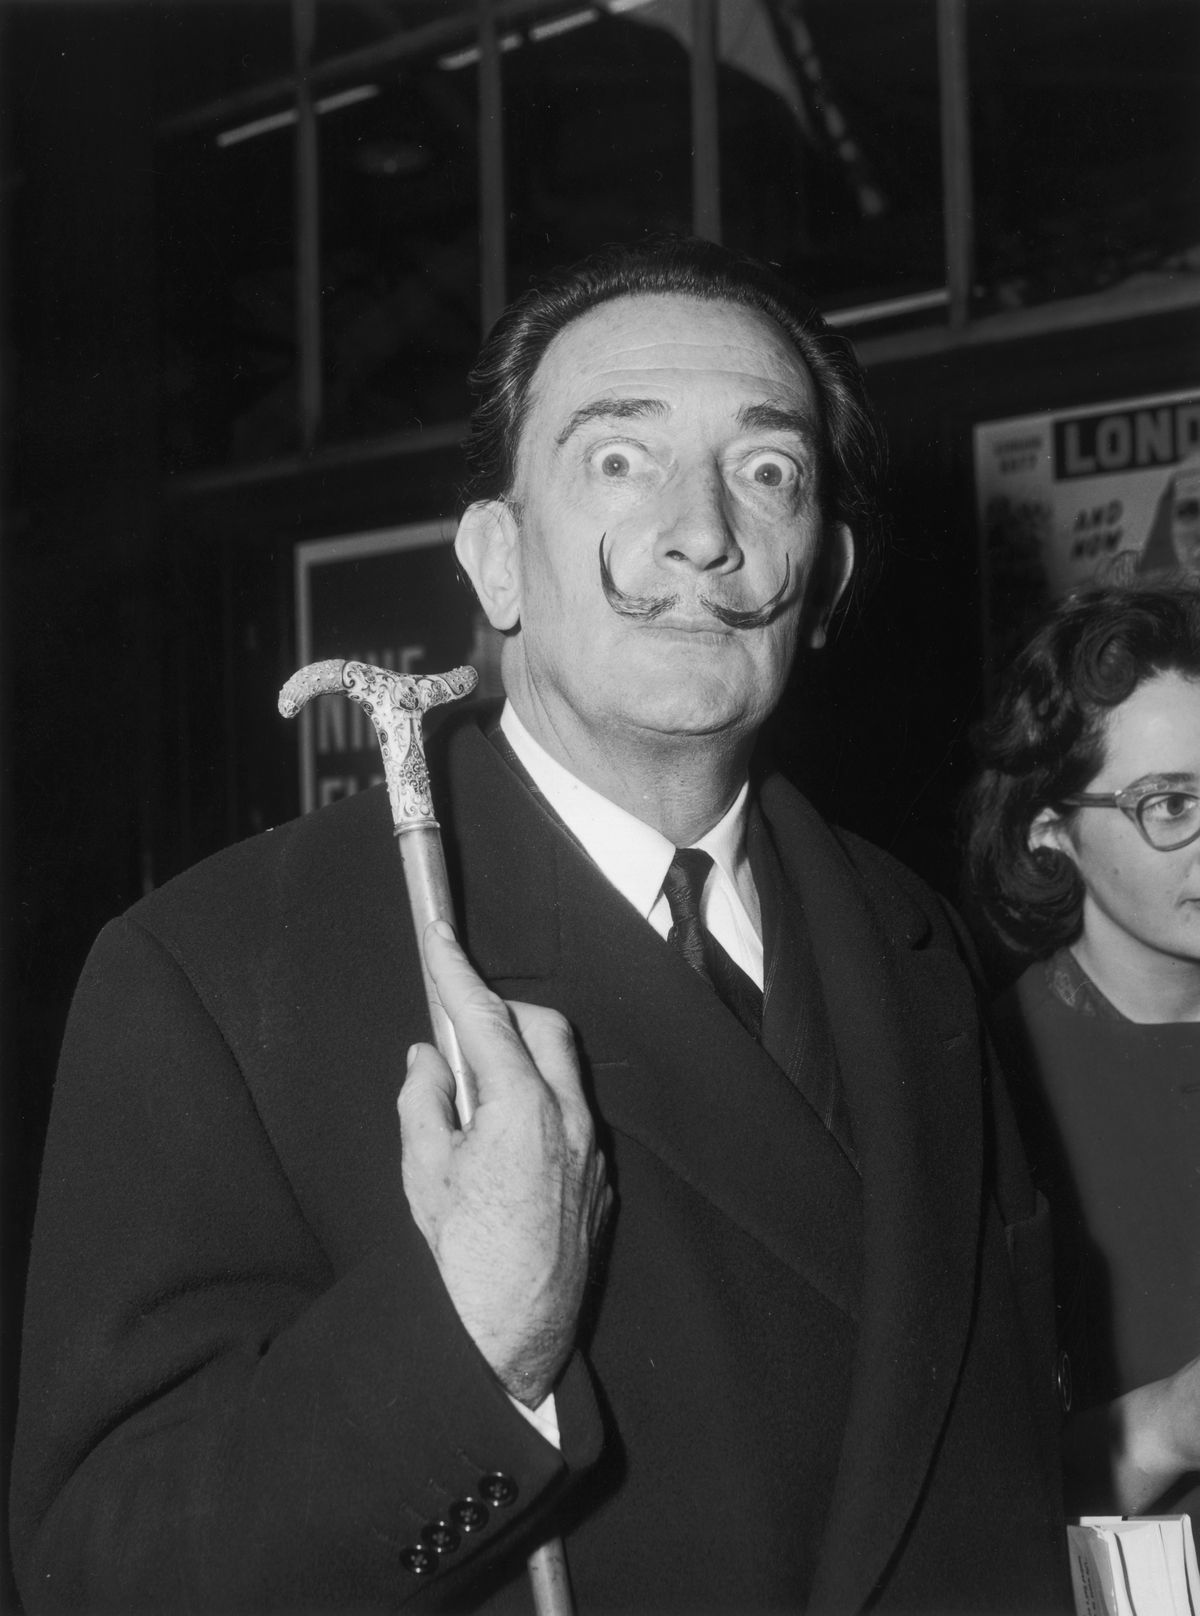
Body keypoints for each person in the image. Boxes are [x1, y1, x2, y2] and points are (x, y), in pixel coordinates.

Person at [11, 237, 1069, 1614]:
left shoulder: (913, 938)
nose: (704, 531)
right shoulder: (222, 971)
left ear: (827, 578)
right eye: (620, 460)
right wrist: (469, 1349)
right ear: (497, 563)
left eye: (770, 471)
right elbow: (107, 1577)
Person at [963, 579, 1200, 1531]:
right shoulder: (988, 1087)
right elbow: (969, 1513)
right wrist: (1169, 1426)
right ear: (1049, 831)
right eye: (1169, 804)